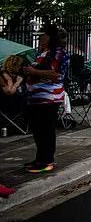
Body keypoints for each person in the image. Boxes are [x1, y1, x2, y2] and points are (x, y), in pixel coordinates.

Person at [21, 25, 67, 173]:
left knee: (45, 129)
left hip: (49, 98)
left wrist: (34, 71)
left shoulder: (57, 53)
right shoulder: (41, 53)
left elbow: (56, 74)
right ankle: (40, 158)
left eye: (44, 36)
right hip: (36, 98)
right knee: (38, 129)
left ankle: (47, 160)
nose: (41, 38)